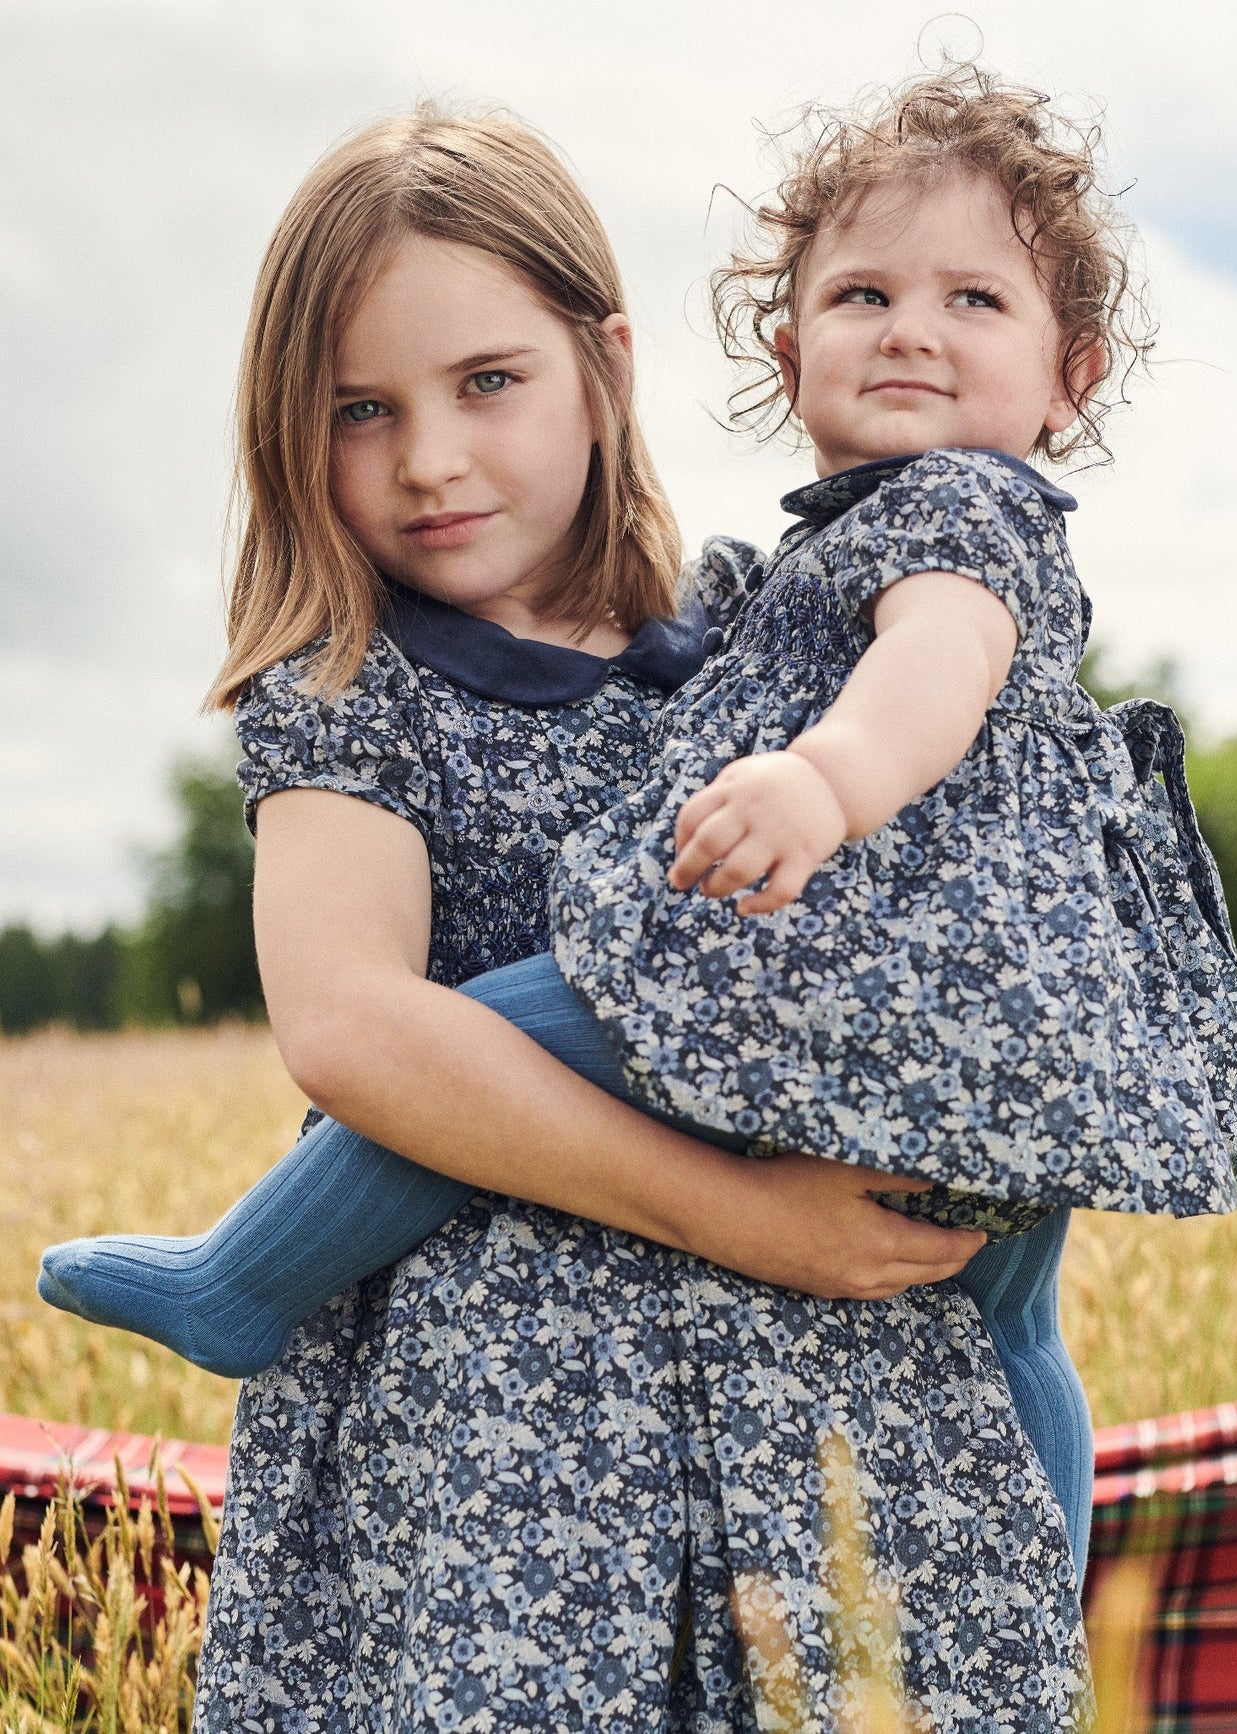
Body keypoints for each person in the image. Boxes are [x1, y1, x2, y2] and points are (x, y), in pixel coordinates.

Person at [44, 88, 1112, 1727]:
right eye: (359, 411)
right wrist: (744, 1216)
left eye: (488, 382)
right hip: (495, 1464)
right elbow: (349, 1025)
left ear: (605, 369)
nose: (432, 459)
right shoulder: (352, 697)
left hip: (821, 1439)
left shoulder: (773, 644)